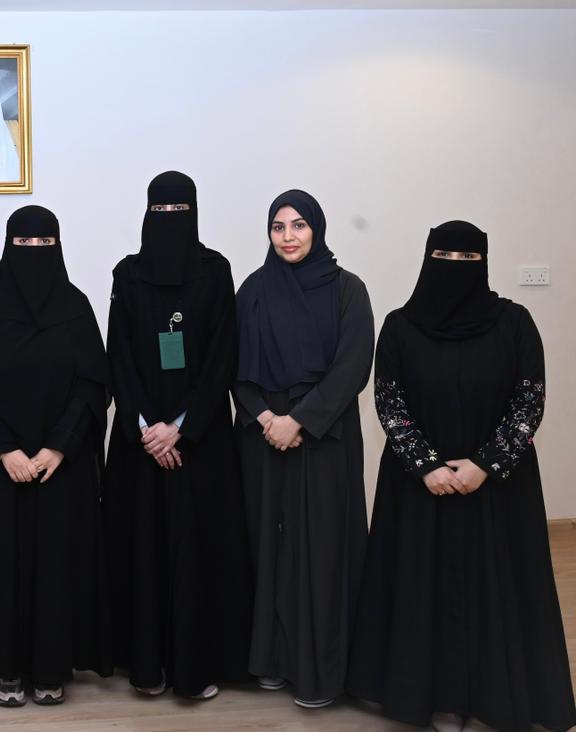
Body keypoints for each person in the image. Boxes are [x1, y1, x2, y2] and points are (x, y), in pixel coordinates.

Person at [347, 221, 576, 732]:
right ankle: (436, 699)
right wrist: (426, 465)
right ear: (427, 258)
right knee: (424, 589)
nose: (455, 267)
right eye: (444, 256)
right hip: (419, 487)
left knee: (494, 589)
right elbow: (389, 401)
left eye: (468, 259)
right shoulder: (400, 326)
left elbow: (529, 400)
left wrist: (485, 464)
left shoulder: (515, 323)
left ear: (485, 263)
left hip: (497, 488)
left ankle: (495, 697)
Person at [0, 205, 111, 707]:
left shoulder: (76, 307)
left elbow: (92, 383)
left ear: (57, 247)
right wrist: (4, 450)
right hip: (1, 465)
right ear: (7, 245)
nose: (34, 252)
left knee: (58, 562)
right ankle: (7, 668)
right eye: (24, 243)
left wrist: (59, 446)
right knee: (3, 561)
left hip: (60, 464)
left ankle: (53, 667)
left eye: (44, 244)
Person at [103, 172, 252, 701]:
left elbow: (223, 356)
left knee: (198, 551)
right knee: (143, 547)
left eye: (178, 210)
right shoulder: (128, 274)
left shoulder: (215, 271)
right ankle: (147, 666)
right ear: (147, 214)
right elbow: (118, 355)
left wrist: (181, 427)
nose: (169, 220)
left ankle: (196, 666)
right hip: (141, 444)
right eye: (160, 211)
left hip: (200, 443)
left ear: (194, 212)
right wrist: (148, 426)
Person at [233, 189, 373, 708]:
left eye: (298, 225)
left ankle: (321, 672)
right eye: (278, 227)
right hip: (264, 436)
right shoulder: (253, 290)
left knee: (322, 551)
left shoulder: (347, 289)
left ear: (317, 228)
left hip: (324, 438)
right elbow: (233, 366)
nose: (288, 237)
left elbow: (353, 365)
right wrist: (267, 418)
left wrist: (300, 420)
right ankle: (272, 660)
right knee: (267, 547)